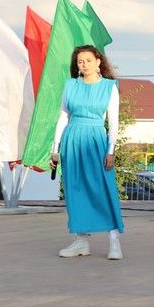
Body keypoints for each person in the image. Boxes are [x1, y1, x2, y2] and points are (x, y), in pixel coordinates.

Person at [50, 45, 124, 260]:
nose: (84, 65)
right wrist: (55, 149)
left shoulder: (109, 87)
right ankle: (81, 241)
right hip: (72, 140)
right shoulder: (70, 85)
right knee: (75, 190)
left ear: (98, 62)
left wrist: (111, 151)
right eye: (80, 61)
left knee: (103, 188)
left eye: (88, 60)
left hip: (96, 139)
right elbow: (63, 116)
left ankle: (114, 241)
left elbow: (114, 122)